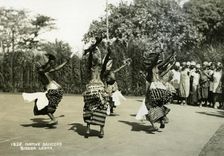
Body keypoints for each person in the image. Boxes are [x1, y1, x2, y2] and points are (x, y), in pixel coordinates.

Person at [22, 51, 74, 125]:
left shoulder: (43, 71)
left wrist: (63, 61)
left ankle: (53, 119)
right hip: (54, 88)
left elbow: (53, 68)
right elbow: (56, 68)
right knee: (42, 103)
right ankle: (53, 119)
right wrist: (65, 61)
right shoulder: (44, 71)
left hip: (53, 89)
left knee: (42, 104)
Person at [136, 49, 175, 131]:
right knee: (159, 105)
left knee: (150, 107)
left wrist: (163, 55)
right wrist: (170, 56)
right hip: (160, 87)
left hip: (153, 89)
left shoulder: (151, 69)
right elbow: (164, 63)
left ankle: (154, 124)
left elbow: (162, 63)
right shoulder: (156, 69)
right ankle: (161, 120)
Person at [82, 37, 110, 138]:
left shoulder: (101, 67)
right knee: (90, 106)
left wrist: (109, 53)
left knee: (101, 106)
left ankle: (100, 129)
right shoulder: (91, 67)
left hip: (98, 86)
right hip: (93, 86)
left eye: (98, 53)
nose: (98, 55)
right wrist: (92, 48)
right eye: (96, 53)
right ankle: (90, 128)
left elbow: (105, 60)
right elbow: (92, 57)